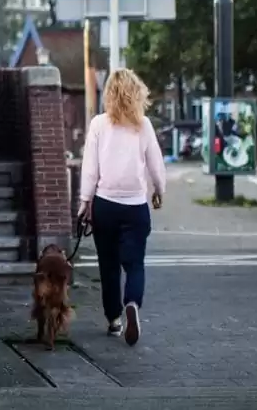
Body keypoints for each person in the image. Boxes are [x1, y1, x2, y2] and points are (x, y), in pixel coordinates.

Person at [77, 68, 166, 347]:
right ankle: (132, 304)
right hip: (135, 206)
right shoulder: (144, 125)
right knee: (134, 264)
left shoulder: (99, 124)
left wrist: (84, 201)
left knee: (108, 266)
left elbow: (90, 168)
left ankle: (114, 319)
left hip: (105, 205)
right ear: (137, 93)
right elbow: (155, 163)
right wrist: (159, 191)